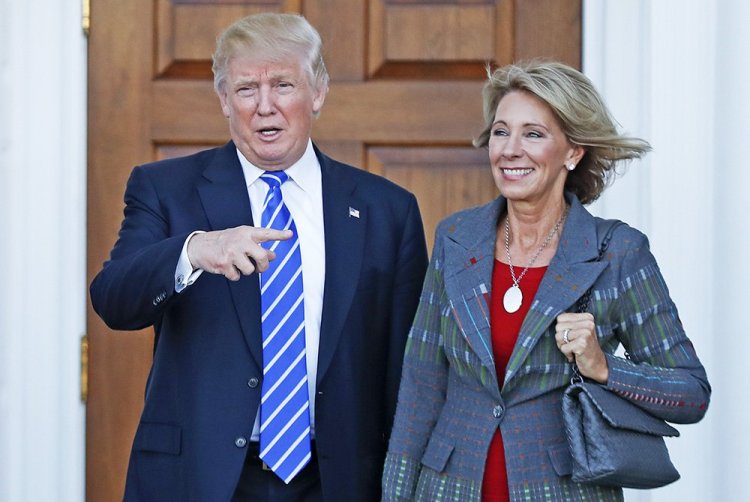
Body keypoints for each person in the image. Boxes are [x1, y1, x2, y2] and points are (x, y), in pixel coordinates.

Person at [90, 13, 428, 502]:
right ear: (225, 101)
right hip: (202, 478)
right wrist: (193, 251)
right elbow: (113, 298)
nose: (265, 106)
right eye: (247, 89)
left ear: (318, 92)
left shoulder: (386, 210)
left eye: (284, 85)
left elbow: (406, 370)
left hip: (339, 479)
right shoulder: (166, 190)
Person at [381, 60, 711, 502]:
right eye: (501, 132)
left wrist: (604, 367)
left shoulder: (617, 252)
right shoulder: (455, 239)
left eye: (533, 134)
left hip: (562, 491)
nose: (510, 150)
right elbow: (421, 389)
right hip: (448, 489)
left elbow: (691, 393)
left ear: (573, 152)